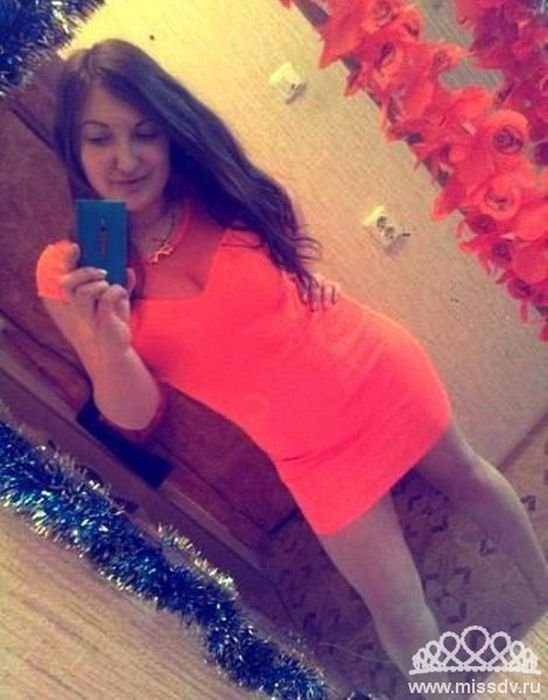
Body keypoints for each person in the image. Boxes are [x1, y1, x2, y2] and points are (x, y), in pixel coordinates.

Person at [36, 38, 547, 692]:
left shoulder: (214, 191)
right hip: (309, 450)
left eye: (145, 133)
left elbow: (282, 270)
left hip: (374, 368)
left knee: (470, 477)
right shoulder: (68, 272)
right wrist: (110, 340)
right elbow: (133, 413)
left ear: (170, 133)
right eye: (99, 138)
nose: (126, 159)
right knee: (397, 605)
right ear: (72, 147)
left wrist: (301, 286)